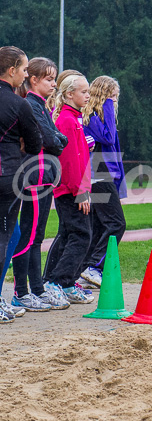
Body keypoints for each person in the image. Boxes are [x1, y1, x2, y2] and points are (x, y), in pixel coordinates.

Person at [11, 57, 70, 311]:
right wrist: (56, 140)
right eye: (49, 79)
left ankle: (37, 288)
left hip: (44, 177)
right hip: (32, 178)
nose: (53, 84)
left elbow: (58, 138)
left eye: (54, 79)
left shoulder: (42, 106)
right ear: (33, 80)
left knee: (37, 236)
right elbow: (50, 139)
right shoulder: (31, 105)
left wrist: (56, 139)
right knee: (28, 236)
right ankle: (22, 292)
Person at [43, 72, 95, 304]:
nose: (88, 95)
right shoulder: (66, 119)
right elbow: (70, 162)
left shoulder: (75, 119)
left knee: (70, 235)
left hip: (74, 187)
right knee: (81, 235)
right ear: (70, 94)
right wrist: (80, 191)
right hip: (70, 190)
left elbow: (80, 157)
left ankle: (59, 281)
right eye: (84, 92)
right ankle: (59, 282)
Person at [0, 46, 43, 322]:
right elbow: (37, 142)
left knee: (12, 235)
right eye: (24, 69)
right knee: (5, 238)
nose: (26, 75)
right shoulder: (19, 103)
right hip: (7, 179)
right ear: (12, 70)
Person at [77, 75, 127, 288]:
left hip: (106, 173)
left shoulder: (102, 117)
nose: (114, 101)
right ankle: (93, 267)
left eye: (115, 97)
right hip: (98, 174)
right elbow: (107, 138)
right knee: (117, 223)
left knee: (100, 225)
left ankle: (86, 271)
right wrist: (107, 105)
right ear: (101, 96)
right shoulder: (91, 118)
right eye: (111, 96)